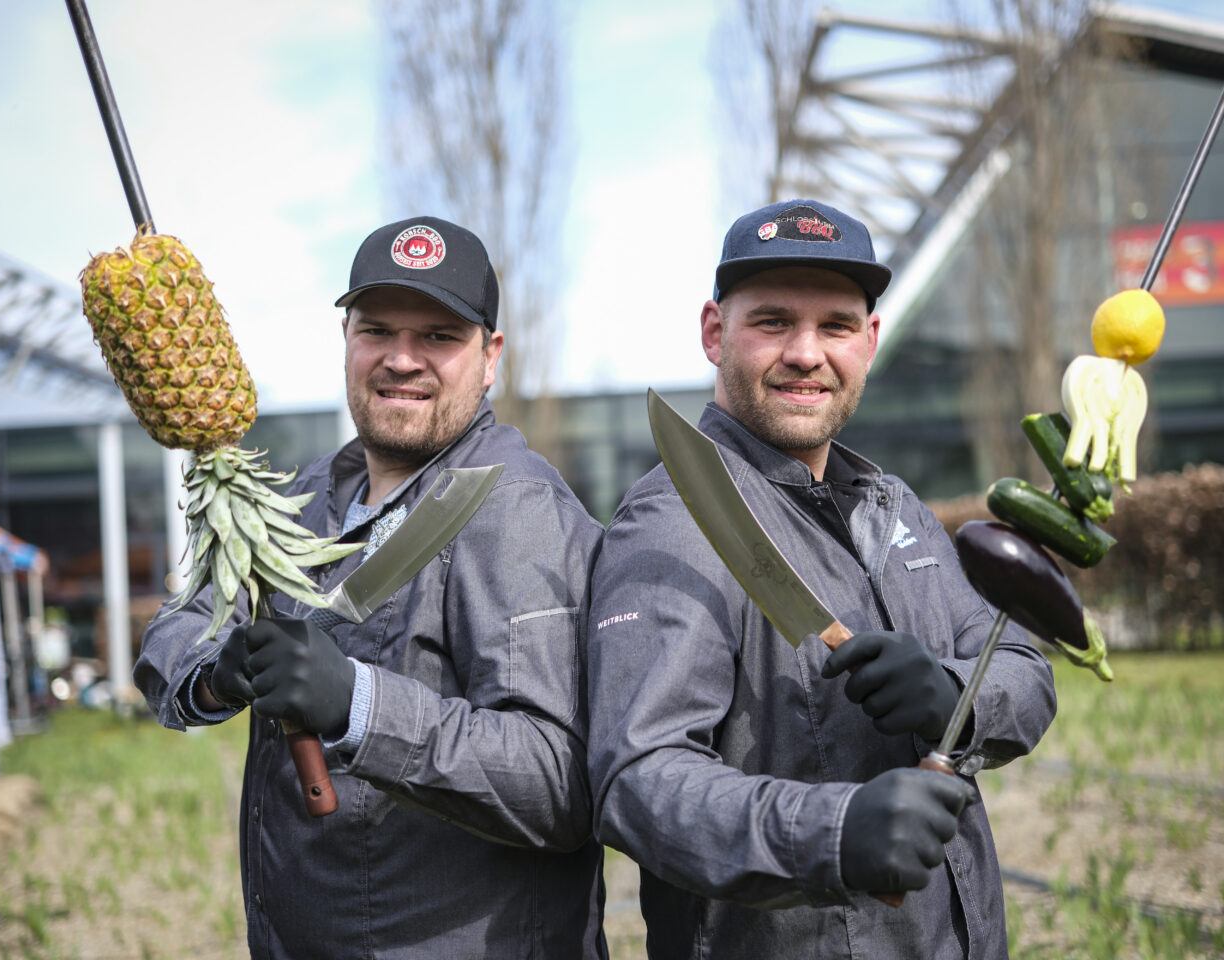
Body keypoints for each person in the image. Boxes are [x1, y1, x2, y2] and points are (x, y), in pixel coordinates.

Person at [585, 200, 1057, 959]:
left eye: (836, 325)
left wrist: (957, 698)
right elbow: (639, 782)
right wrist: (830, 835)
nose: (807, 353)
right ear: (714, 332)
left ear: (869, 340)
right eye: (773, 322)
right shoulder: (673, 522)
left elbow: (1024, 667)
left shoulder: (893, 506)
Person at [134, 217, 607, 959]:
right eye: (377, 330)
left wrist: (359, 706)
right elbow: (179, 621)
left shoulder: (516, 513)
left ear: (490, 357)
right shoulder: (302, 493)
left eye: (438, 336)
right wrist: (218, 674)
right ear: (347, 339)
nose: (401, 359)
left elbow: (558, 784)